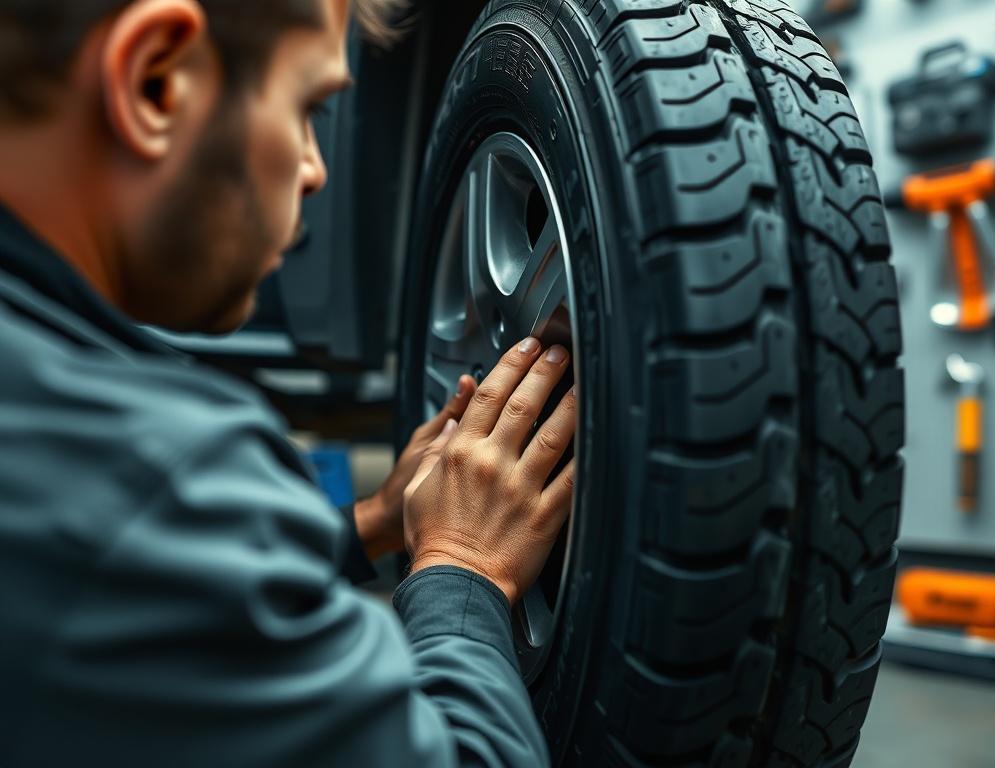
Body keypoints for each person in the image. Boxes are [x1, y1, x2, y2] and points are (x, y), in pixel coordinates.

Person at [0, 0, 576, 765]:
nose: (315, 169)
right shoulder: (153, 477)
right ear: (155, 85)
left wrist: (372, 520)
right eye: (307, 108)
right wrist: (464, 568)